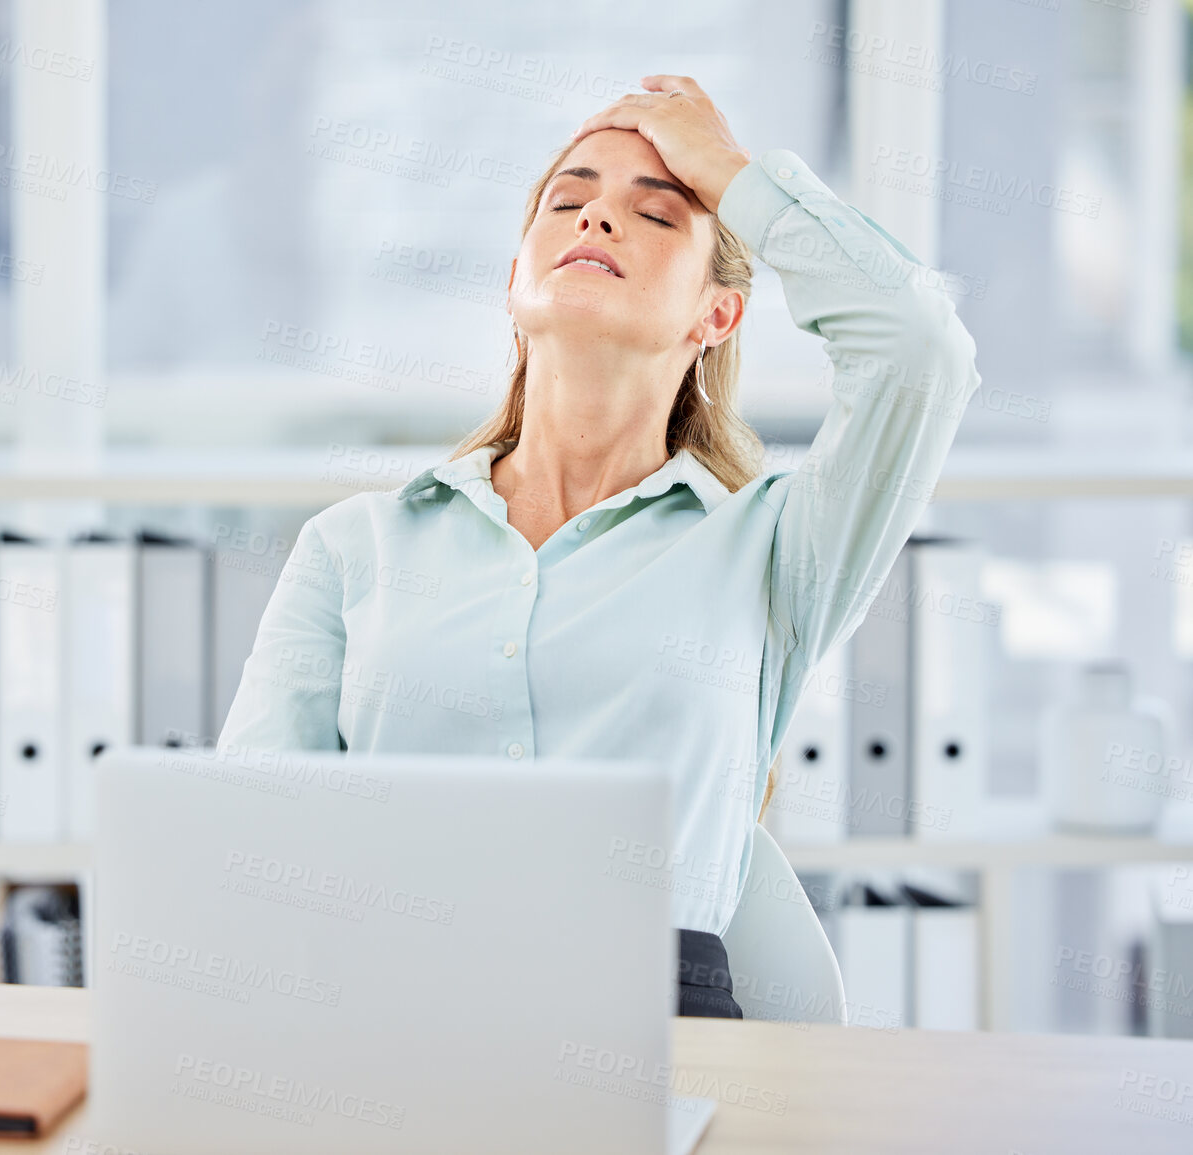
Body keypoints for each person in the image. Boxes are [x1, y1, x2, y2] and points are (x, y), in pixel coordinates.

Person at [216, 75, 981, 1019]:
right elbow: (250, 845)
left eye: (656, 216)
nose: (598, 223)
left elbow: (919, 351)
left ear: (718, 316)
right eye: (567, 202)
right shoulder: (352, 547)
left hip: (657, 1034)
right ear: (512, 283)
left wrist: (732, 177)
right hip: (386, 1012)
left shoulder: (771, 549)